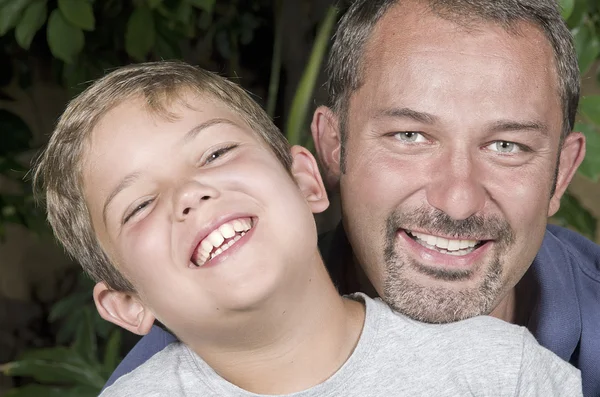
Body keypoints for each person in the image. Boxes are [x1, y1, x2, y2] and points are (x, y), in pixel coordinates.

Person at [97, 0, 600, 395]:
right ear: (332, 150)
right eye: (409, 136)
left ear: (560, 174)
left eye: (506, 146)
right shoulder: (179, 362)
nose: (457, 201)